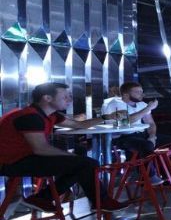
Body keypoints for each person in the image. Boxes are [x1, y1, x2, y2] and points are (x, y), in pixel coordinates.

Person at [0, 82, 127, 213]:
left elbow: (80, 125)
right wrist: (73, 157)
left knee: (84, 164)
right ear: (47, 98)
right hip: (9, 163)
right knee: (85, 164)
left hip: (25, 158)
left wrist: (108, 117)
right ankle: (100, 202)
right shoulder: (30, 116)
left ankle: (43, 198)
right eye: (65, 97)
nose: (69, 100)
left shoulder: (51, 115)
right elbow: (41, 148)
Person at [101, 82, 171, 184]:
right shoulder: (114, 104)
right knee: (147, 146)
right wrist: (148, 108)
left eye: (142, 92)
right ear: (125, 95)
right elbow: (126, 122)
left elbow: (151, 123)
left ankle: (152, 168)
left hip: (141, 134)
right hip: (123, 137)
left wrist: (152, 136)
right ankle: (149, 176)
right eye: (138, 92)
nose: (142, 94)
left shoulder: (142, 104)